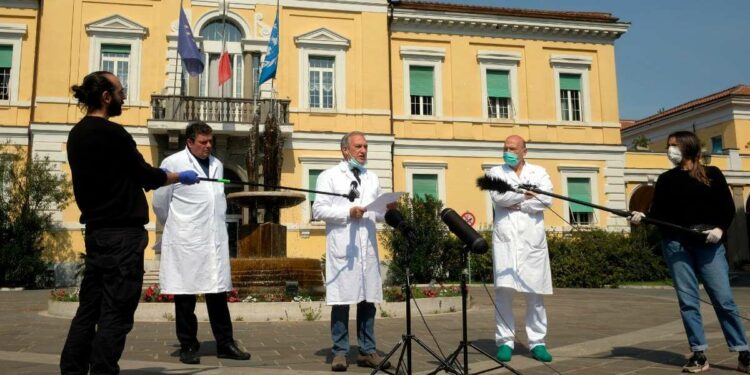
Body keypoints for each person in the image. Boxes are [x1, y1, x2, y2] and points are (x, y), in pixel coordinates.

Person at [61, 71, 200, 374]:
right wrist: (178, 176)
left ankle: (71, 370)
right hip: (123, 237)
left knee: (88, 309)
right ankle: (103, 370)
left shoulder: (76, 134)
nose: (125, 96)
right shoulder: (113, 134)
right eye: (121, 91)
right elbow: (146, 176)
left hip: (96, 234)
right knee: (117, 312)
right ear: (106, 97)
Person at [629, 130, 750, 373]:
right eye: (668, 146)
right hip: (676, 245)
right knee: (688, 301)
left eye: (673, 145)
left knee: (724, 300)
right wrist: (643, 217)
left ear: (688, 147)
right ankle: (698, 353)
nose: (669, 150)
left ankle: (743, 352)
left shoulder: (712, 174)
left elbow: (727, 208)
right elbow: (659, 215)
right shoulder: (666, 180)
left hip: (708, 244)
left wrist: (719, 229)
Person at [152, 121, 251, 365]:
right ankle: (188, 345)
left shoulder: (217, 164)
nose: (208, 146)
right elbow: (160, 203)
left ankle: (225, 343)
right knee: (185, 296)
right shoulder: (173, 163)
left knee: (217, 293)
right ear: (189, 142)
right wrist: (176, 226)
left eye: (210, 142)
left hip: (214, 239)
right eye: (203, 142)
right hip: (186, 239)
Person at [312, 131, 394, 372]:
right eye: (358, 146)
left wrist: (387, 210)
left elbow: (376, 214)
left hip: (366, 249)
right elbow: (318, 210)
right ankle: (340, 352)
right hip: (343, 249)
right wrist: (348, 213)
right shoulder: (329, 176)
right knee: (342, 302)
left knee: (368, 301)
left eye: (365, 146)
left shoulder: (372, 177)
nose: (363, 151)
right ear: (345, 150)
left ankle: (368, 351)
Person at [487, 135, 553, 363]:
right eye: (505, 148)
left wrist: (519, 202)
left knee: (535, 295)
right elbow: (499, 197)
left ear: (524, 151)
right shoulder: (495, 172)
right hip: (506, 241)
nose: (508, 151)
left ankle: (538, 343)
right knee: (504, 293)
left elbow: (546, 200)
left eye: (513, 148)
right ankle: (505, 341)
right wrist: (525, 195)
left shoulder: (539, 172)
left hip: (531, 242)